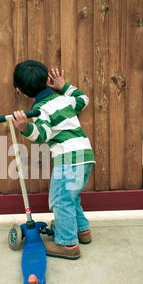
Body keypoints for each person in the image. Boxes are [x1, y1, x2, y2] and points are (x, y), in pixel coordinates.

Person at [12, 60, 95, 260]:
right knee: (71, 197)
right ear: (48, 80)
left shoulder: (41, 109)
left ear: (21, 92)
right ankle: (82, 231)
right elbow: (82, 99)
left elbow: (43, 134)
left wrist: (25, 128)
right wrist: (63, 86)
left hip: (68, 158)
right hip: (85, 155)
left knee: (61, 200)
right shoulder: (64, 99)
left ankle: (67, 245)